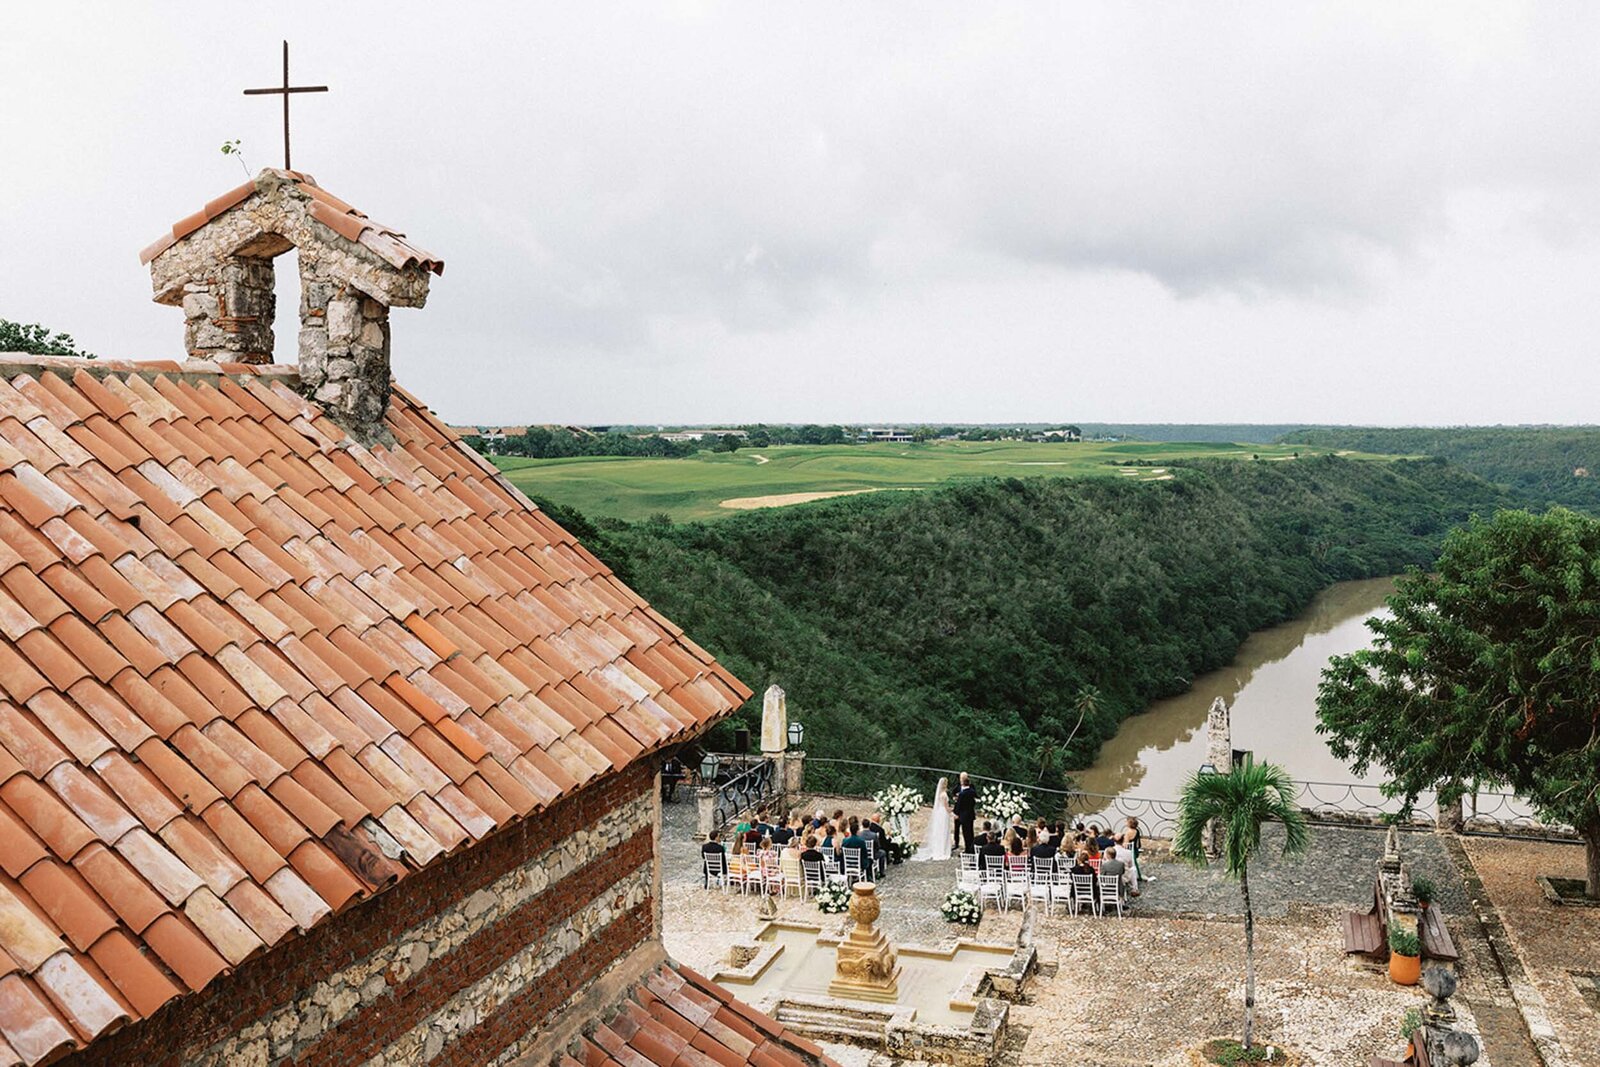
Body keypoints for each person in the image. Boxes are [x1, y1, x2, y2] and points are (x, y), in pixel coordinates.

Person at [914, 777, 955, 863]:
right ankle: (943, 850)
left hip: (940, 812)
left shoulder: (940, 794)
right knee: (943, 830)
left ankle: (940, 848)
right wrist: (952, 811)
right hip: (943, 813)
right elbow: (946, 807)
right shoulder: (944, 795)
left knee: (940, 831)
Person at [954, 772, 978, 853]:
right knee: (970, 833)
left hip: (963, 816)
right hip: (970, 815)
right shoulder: (972, 792)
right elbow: (974, 801)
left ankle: (968, 849)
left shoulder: (962, 794)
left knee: (966, 833)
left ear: (963, 784)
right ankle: (971, 848)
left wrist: (956, 813)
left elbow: (959, 805)